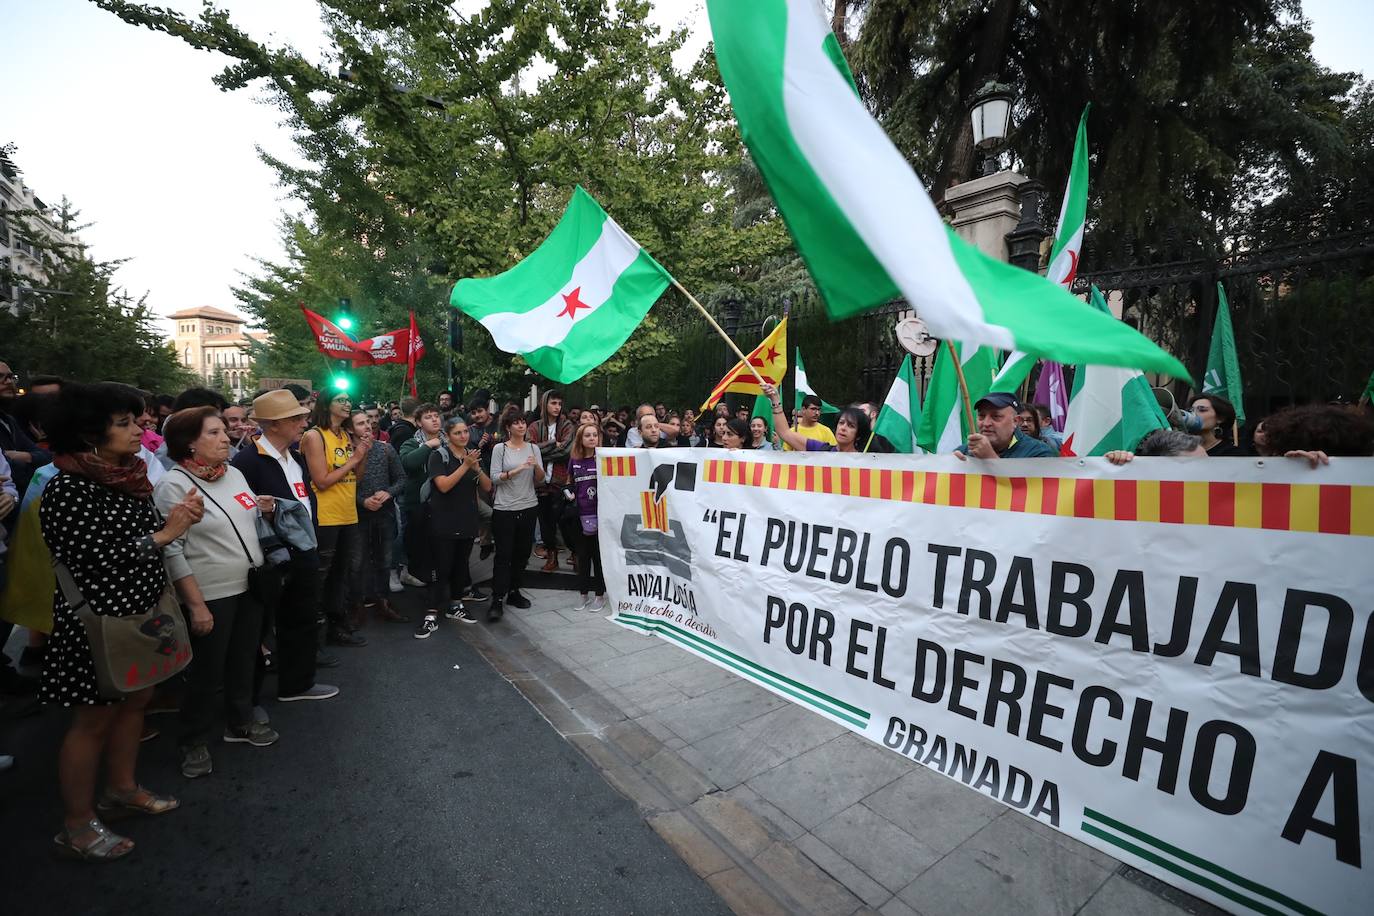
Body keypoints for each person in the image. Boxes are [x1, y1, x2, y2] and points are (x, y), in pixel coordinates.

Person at [41, 382, 204, 860]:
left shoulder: (129, 477)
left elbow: (148, 538)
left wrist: (176, 523)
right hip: (98, 622)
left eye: (137, 420)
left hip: (142, 612)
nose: (140, 430)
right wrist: (165, 533)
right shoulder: (67, 487)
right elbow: (95, 559)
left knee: (137, 702)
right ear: (90, 433)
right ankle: (77, 823)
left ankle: (122, 788)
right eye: (125, 423)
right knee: (92, 721)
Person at [156, 407, 279, 779]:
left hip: (250, 584)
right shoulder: (174, 486)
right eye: (214, 433)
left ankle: (240, 722)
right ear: (188, 443)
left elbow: (245, 517)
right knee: (207, 672)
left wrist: (265, 511)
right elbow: (172, 550)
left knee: (244, 659)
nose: (226, 438)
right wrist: (196, 605)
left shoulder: (234, 474)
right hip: (211, 593)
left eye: (224, 431)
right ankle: (193, 740)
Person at [232, 389, 339, 698]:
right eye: (296, 418)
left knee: (301, 619)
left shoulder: (294, 457)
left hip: (303, 551)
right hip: (274, 558)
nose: (303, 423)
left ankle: (297, 683)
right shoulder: (248, 462)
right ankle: (249, 701)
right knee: (264, 625)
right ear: (274, 424)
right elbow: (244, 511)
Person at [300, 390, 370, 647]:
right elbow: (322, 480)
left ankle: (336, 627)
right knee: (321, 577)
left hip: (348, 513)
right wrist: (354, 459)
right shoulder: (315, 436)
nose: (347, 404)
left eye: (349, 399)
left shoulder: (345, 435)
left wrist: (361, 455)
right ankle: (313, 636)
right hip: (325, 515)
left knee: (341, 574)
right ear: (326, 405)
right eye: (340, 399)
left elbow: (356, 477)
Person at [415, 416, 493, 638]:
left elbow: (487, 487)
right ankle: (431, 614)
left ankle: (456, 605)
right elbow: (444, 485)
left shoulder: (472, 455)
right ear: (448, 436)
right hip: (442, 521)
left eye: (465, 432)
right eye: (457, 433)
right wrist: (465, 466)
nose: (463, 436)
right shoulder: (438, 456)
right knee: (441, 568)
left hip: (467, 520)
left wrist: (476, 467)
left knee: (461, 566)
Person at [487, 411, 545, 622]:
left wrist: (536, 465)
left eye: (523, 422)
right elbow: (494, 478)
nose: (521, 426)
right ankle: (497, 597)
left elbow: (540, 480)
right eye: (516, 423)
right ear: (508, 427)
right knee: (503, 554)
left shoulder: (533, 448)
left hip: (528, 506)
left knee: (522, 553)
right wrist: (517, 469)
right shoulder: (499, 449)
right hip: (505, 508)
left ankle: (514, 591)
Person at [350, 411, 407, 622]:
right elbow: (340, 487)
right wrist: (362, 501)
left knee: (385, 559)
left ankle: (383, 601)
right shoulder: (346, 452)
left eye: (368, 421)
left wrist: (388, 493)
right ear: (350, 429)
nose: (367, 426)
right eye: (360, 423)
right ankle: (357, 605)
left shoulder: (385, 449)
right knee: (357, 562)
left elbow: (401, 479)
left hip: (385, 513)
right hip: (357, 514)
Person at [530, 390, 575, 572]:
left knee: (565, 521)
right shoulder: (534, 426)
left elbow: (566, 451)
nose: (557, 407)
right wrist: (551, 444)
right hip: (541, 483)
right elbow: (530, 449)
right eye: (553, 403)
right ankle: (552, 557)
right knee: (546, 523)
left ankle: (576, 554)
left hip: (560, 481)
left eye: (559, 403)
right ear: (545, 404)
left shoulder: (567, 425)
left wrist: (542, 451)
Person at [763, 384, 872, 454]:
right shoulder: (820, 449)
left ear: (859, 435)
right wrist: (775, 399)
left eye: (851, 425)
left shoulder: (866, 460)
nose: (843, 428)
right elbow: (785, 432)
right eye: (841, 423)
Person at [566, 423, 606, 612]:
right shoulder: (574, 460)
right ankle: (583, 595)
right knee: (582, 557)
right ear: (580, 439)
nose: (591, 438)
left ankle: (600, 595)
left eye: (594, 435)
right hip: (580, 516)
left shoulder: (604, 459)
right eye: (587, 435)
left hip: (601, 515)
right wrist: (568, 493)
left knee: (598, 558)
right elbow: (569, 483)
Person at [0, 359, 53, 498]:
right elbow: (12, 472)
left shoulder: (8, 421)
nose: (8, 381)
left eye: (11, 377)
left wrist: (25, 456)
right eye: (0, 377)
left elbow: (48, 457)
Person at [954, 393, 1058, 460]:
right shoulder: (964, 451)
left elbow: (1031, 492)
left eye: (996, 416)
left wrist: (990, 459)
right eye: (981, 416)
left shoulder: (1039, 453)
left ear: (1016, 421)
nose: (986, 423)